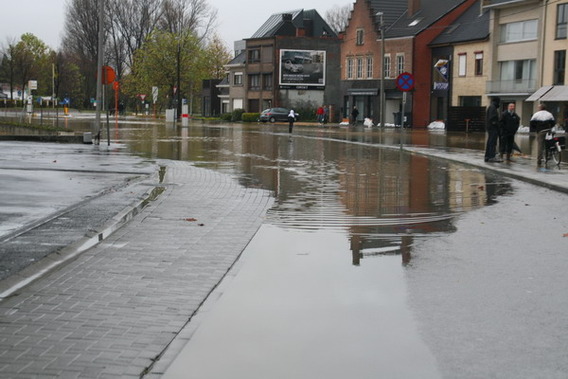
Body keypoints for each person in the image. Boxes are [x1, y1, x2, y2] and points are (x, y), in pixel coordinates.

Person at [484, 97, 502, 162]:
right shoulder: (493, 108)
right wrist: (497, 124)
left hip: (490, 127)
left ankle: (487, 156)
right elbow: (492, 118)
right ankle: (491, 156)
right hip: (493, 128)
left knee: (490, 142)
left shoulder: (491, 107)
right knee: (492, 142)